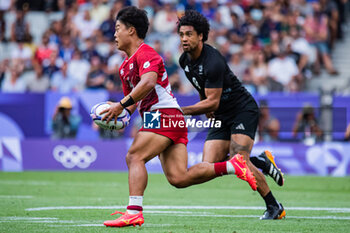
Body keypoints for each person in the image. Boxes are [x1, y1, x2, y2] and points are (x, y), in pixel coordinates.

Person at [100, 6, 257, 228]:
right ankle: (233, 166)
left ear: (132, 31)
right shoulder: (125, 67)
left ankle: (133, 211)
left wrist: (121, 104)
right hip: (161, 117)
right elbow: (133, 101)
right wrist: (119, 114)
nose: (114, 34)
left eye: (117, 29)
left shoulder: (147, 53)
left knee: (134, 156)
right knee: (179, 178)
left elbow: (148, 83)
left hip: (165, 114)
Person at [177, 10, 285, 220]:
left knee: (239, 160)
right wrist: (205, 106)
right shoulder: (184, 61)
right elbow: (202, 87)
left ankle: (274, 207)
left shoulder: (213, 61)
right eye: (181, 34)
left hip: (241, 110)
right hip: (220, 115)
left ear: (201, 36)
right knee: (209, 167)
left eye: (189, 34)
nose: (184, 39)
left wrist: (182, 111)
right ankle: (261, 161)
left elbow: (213, 100)